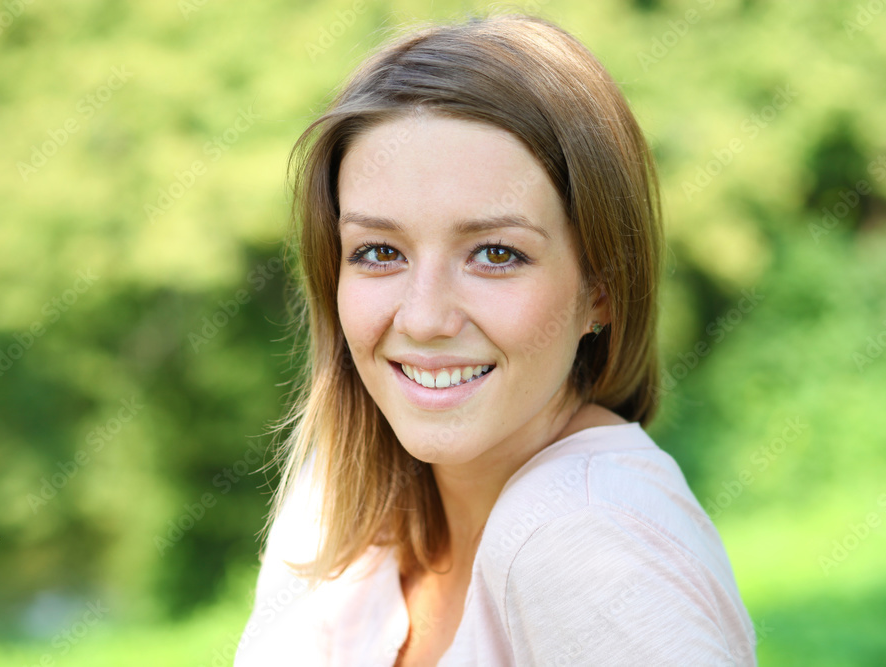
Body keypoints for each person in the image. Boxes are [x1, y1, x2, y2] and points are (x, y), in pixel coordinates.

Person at [235, 12, 756, 666]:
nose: (424, 318)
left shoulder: (587, 538)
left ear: (602, 288)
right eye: (378, 251)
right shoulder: (334, 498)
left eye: (495, 253)